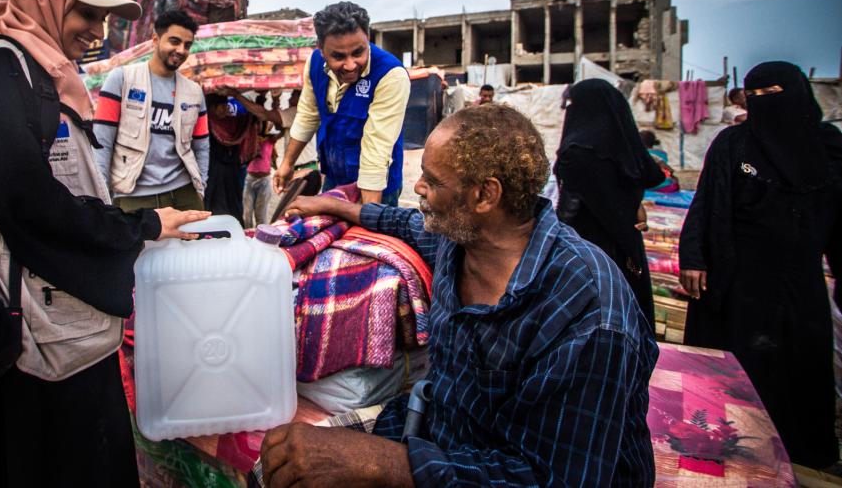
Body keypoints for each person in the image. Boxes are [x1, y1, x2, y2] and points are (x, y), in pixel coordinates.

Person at [263, 104, 657, 487]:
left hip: (502, 468)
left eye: (432, 181)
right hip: (442, 431)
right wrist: (333, 205)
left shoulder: (589, 316)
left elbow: (551, 477)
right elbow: (401, 220)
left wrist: (381, 464)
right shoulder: (458, 238)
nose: (418, 187)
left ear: (485, 196)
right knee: (276, 468)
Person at [0, 0, 208, 487]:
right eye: (86, 13)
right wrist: (142, 227)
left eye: (105, 18)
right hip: (25, 337)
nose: (98, 30)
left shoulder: (41, 70)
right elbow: (27, 205)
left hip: (53, 321)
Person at [679, 61, 842, 469]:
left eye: (773, 94)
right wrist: (695, 257)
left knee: (800, 361)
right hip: (740, 273)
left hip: (800, 277)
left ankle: (804, 451)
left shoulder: (827, 147)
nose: (764, 103)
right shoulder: (735, 143)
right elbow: (708, 203)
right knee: (738, 362)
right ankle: (729, 447)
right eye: (755, 96)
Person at [274, 2, 409, 206]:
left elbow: (376, 150)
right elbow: (308, 115)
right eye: (338, 56)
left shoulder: (391, 75)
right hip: (335, 179)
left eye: (358, 53)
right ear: (321, 49)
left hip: (378, 186)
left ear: (368, 38)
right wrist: (287, 163)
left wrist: (369, 214)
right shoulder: (314, 63)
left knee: (367, 236)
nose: (350, 65)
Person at [555, 79, 665, 324]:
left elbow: (569, 210)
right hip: (627, 246)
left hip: (588, 251)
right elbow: (645, 178)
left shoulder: (578, 152)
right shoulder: (622, 149)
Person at [94, 9, 209, 213]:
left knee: (198, 245)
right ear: (155, 40)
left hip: (185, 194)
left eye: (187, 45)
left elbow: (201, 146)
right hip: (134, 197)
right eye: (174, 41)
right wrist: (100, 199)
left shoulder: (194, 92)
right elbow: (101, 143)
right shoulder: (122, 79)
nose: (181, 50)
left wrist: (200, 189)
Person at [203, 93, 259, 224]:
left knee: (233, 213)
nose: (225, 109)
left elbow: (252, 118)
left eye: (225, 105)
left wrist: (262, 98)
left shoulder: (234, 124)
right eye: (220, 106)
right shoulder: (204, 123)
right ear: (210, 107)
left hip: (232, 178)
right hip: (212, 178)